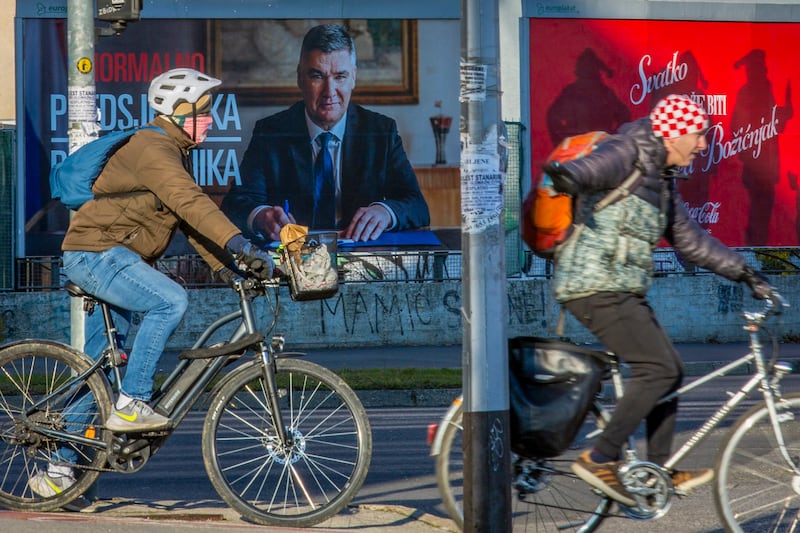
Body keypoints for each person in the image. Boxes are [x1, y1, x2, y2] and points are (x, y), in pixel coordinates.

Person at [28, 68, 274, 498]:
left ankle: (59, 473)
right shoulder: (152, 147)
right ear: (180, 113)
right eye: (204, 112)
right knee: (169, 301)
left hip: (114, 257)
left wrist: (233, 269)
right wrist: (239, 243)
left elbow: (191, 225)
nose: (212, 120)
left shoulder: (172, 151)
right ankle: (132, 404)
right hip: (94, 253)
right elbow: (191, 203)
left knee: (101, 370)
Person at [542, 94, 774, 506]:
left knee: (672, 369)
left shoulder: (662, 181)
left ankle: (656, 472)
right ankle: (600, 457)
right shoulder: (628, 150)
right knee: (657, 368)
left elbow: (691, 242)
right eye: (698, 136)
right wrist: (568, 176)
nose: (703, 145)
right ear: (674, 134)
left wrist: (744, 271)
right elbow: (593, 168)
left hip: (621, 287)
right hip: (592, 284)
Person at [221, 23, 430, 243]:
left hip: (362, 260)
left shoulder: (381, 132)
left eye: (340, 76)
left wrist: (385, 212)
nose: (329, 92)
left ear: (353, 78)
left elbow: (417, 205)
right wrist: (261, 216)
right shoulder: (270, 132)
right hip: (293, 260)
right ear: (300, 78)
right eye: (317, 76)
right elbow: (236, 202)